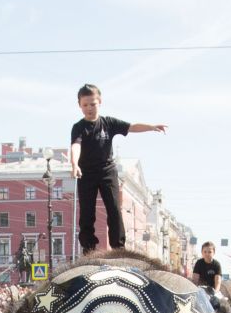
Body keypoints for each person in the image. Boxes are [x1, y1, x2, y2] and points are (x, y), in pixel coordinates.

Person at [68, 84, 166, 252]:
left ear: (100, 102)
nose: (89, 108)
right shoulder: (79, 127)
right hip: (86, 173)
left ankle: (118, 246)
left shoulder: (108, 123)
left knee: (114, 209)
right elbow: (76, 145)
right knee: (86, 212)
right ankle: (89, 247)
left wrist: (151, 127)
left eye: (93, 104)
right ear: (79, 105)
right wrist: (74, 164)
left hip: (107, 171)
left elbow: (131, 126)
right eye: (85, 105)